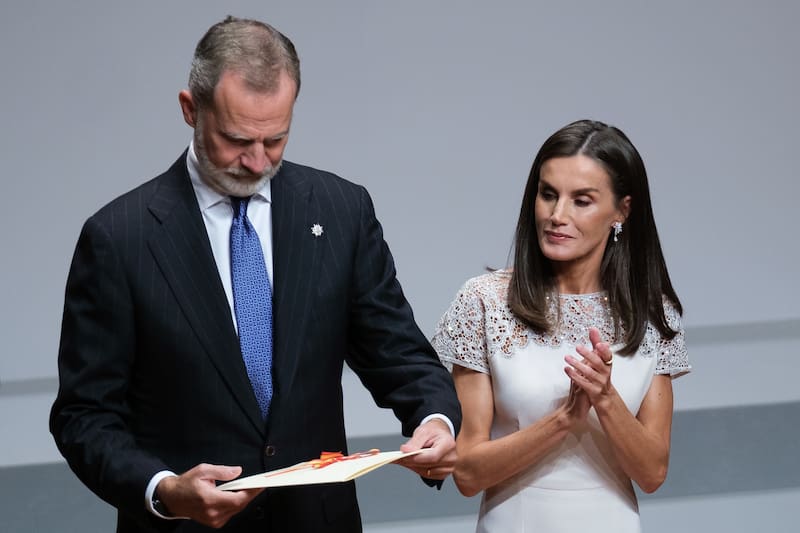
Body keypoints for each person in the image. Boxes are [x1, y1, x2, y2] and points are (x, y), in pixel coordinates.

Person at [50, 16, 460, 533]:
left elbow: (397, 351)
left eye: (277, 140)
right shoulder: (119, 238)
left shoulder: (341, 211)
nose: (257, 161)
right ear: (189, 109)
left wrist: (434, 419)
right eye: (236, 139)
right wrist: (164, 489)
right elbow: (83, 417)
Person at [431, 119, 690, 532]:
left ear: (622, 210)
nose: (556, 215)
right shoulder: (485, 300)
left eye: (581, 200)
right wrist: (564, 420)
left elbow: (653, 473)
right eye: (548, 194)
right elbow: (467, 473)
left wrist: (605, 399)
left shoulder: (651, 313)